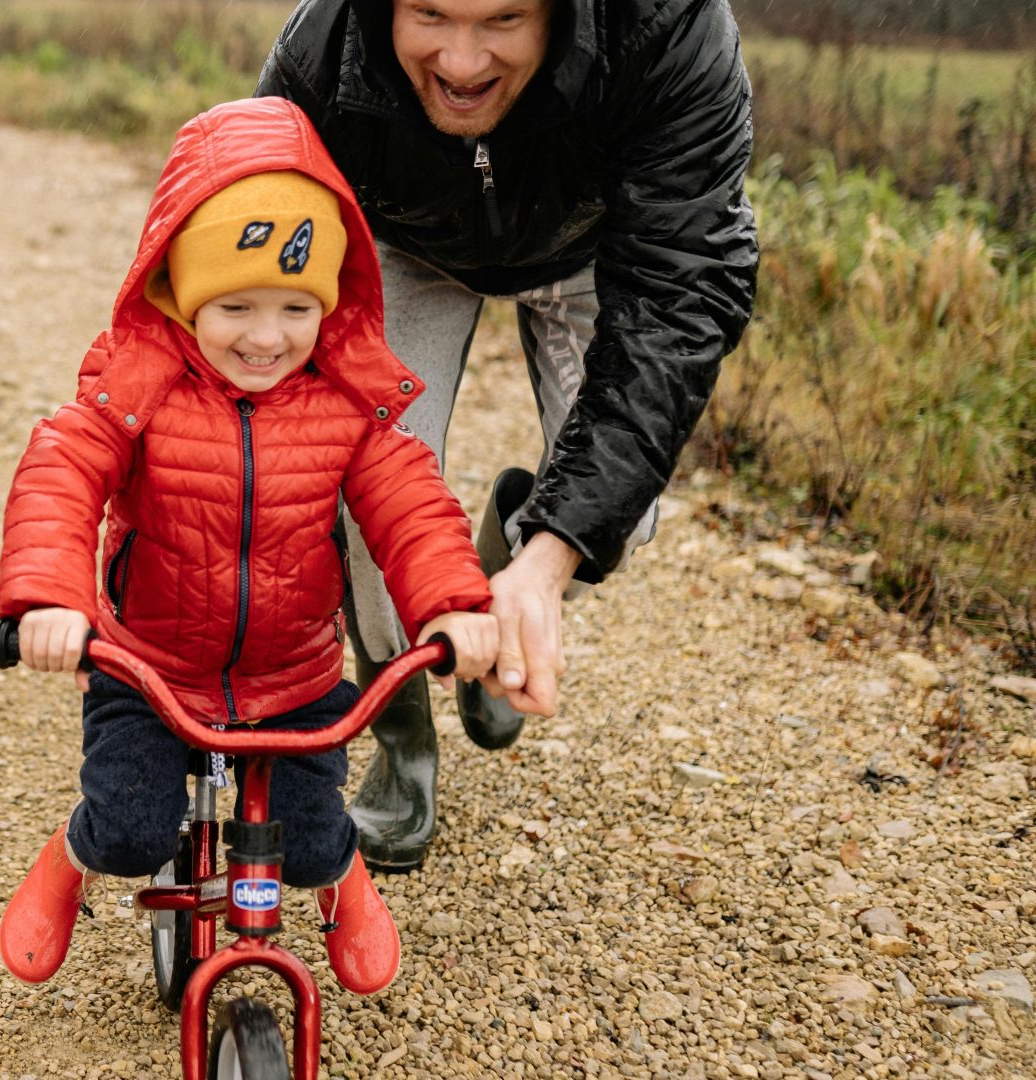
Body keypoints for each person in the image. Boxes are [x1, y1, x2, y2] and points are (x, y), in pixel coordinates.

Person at [0, 97, 499, 995]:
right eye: (234, 305)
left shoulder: (346, 403)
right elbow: (63, 470)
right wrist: (50, 598)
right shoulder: (138, 384)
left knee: (309, 840)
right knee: (129, 826)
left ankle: (342, 879)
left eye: (296, 307)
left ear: (330, 299)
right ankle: (70, 861)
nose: (267, 338)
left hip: (293, 676)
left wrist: (454, 602)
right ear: (182, 293)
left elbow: (410, 501)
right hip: (147, 664)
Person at [257, 0, 759, 870]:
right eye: (430, 15)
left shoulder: (669, 27)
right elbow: (253, 262)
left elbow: (684, 294)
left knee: (616, 518)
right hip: (403, 241)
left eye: (501, 20)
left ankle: (503, 579)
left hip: (590, 245)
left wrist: (549, 555)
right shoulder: (321, 51)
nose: (460, 60)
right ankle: (401, 733)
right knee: (364, 500)